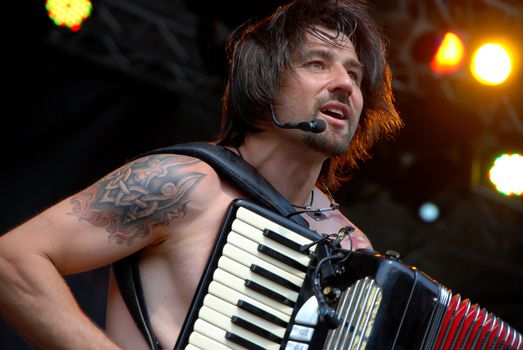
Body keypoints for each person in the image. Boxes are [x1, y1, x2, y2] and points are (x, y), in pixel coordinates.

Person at [0, 0, 402, 349]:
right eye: (318, 63)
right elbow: (12, 261)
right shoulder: (182, 184)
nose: (345, 85)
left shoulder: (351, 248)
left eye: (355, 74)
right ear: (265, 81)